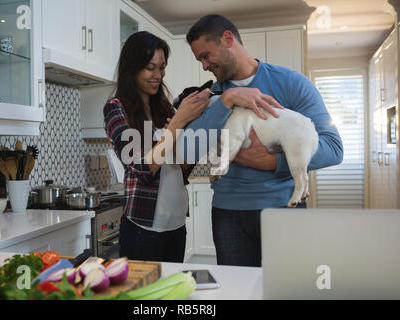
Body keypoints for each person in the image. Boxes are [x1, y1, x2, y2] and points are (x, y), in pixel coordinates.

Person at [179, 15, 344, 267]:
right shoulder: (211, 96)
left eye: (206, 55)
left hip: (284, 210)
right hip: (228, 214)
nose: (204, 66)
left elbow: (333, 149)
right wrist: (227, 99)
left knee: (287, 288)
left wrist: (271, 162)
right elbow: (187, 150)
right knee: (238, 291)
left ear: (227, 39)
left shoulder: (291, 84)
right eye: (199, 59)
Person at [103, 31, 211, 262]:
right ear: (132, 69)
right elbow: (141, 168)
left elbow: (183, 166)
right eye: (151, 68)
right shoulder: (116, 108)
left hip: (177, 224)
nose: (158, 75)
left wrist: (188, 132)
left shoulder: (166, 108)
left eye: (162, 68)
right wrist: (179, 123)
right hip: (143, 229)